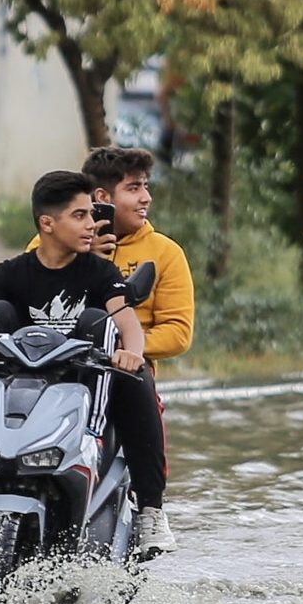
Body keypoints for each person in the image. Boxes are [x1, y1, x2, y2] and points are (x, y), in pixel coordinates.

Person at [0, 170, 177, 558]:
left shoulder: (100, 272)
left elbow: (126, 320)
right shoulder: (12, 272)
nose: (92, 225)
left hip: (86, 380)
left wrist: (131, 352)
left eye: (92, 215)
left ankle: (151, 508)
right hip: (23, 384)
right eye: (80, 216)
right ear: (47, 223)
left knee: (138, 382)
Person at [26, 148, 195, 551]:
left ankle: (151, 509)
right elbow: (25, 307)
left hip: (119, 370)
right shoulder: (51, 242)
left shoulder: (165, 254)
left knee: (137, 383)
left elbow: (178, 333)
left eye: (146, 187)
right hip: (51, 367)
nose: (146, 198)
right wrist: (82, 262)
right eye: (134, 188)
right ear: (102, 198)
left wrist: (120, 348)